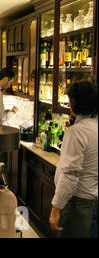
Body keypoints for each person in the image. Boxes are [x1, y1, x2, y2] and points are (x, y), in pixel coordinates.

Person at [49, 81, 98, 238]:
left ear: (75, 102)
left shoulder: (77, 132)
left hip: (77, 205)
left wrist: (56, 208)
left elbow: (71, 175)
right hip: (92, 202)